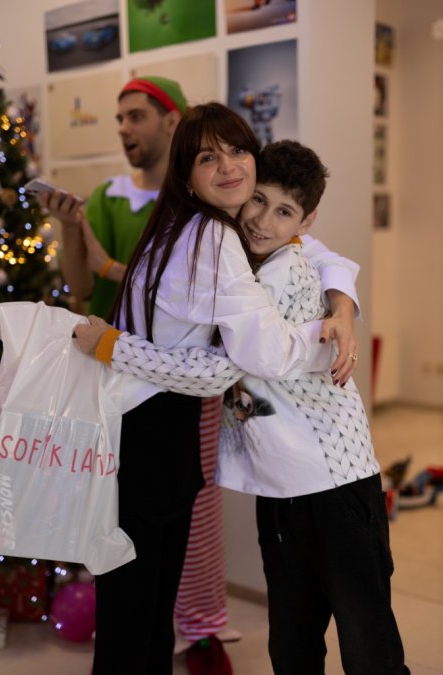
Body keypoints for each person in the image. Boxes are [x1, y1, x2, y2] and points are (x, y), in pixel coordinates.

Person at [73, 102, 362, 674]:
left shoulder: (186, 223)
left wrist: (343, 306)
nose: (228, 166)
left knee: (142, 613)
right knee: (138, 615)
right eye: (208, 157)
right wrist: (326, 343)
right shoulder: (213, 236)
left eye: (237, 150)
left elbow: (318, 251)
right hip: (151, 435)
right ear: (187, 173)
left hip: (144, 432)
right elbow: (236, 364)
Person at [38, 77, 240, 650]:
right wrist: (71, 229)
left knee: (189, 516)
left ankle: (198, 625)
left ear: (172, 120)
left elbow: (184, 299)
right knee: (131, 538)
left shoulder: (202, 206)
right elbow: (80, 287)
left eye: (136, 116)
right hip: (116, 386)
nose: (124, 128)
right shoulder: (109, 197)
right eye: (119, 118)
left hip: (179, 386)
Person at [211, 139, 409, 675]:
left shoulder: (284, 271)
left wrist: (116, 351)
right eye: (258, 200)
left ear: (304, 221)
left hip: (337, 482)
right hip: (281, 486)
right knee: (293, 641)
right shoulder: (239, 257)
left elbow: (223, 366)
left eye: (283, 211)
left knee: (367, 643)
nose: (262, 220)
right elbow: (328, 257)